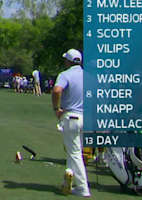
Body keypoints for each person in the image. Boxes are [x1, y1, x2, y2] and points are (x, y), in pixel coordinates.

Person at [52, 48, 90, 197]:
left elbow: (57, 90)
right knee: (73, 151)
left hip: (72, 117)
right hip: (86, 117)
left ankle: (82, 188)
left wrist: (56, 109)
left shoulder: (65, 75)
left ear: (68, 61)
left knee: (74, 153)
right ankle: (68, 181)